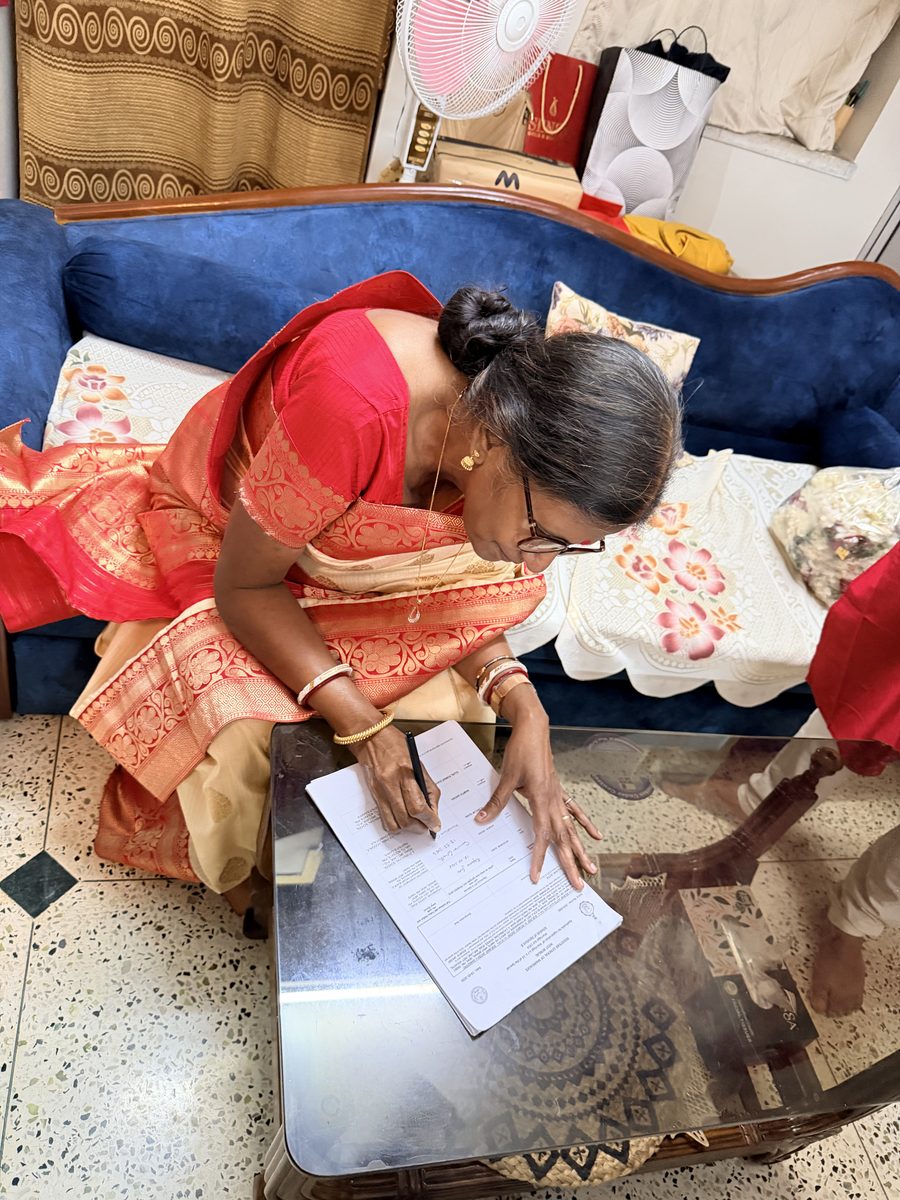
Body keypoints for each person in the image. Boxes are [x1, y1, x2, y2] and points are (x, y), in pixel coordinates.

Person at [0, 272, 681, 911]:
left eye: (566, 547)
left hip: (335, 571)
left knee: (449, 719)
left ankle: (350, 884)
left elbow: (441, 588)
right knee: (261, 736)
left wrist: (525, 707)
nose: (536, 568)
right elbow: (245, 586)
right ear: (503, 445)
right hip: (235, 541)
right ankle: (271, 882)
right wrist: (365, 725)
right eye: (542, 533)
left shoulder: (486, 445)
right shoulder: (354, 404)